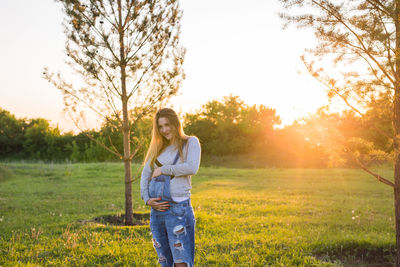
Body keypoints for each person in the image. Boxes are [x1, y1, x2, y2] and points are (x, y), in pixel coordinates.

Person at [140, 108, 201, 267]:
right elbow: (146, 174)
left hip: (178, 211)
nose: (165, 130)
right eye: (160, 127)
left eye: (167, 124)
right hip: (157, 213)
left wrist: (164, 169)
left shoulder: (190, 142)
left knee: (181, 262)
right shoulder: (158, 149)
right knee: (165, 261)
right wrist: (147, 200)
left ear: (176, 123)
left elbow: (192, 168)